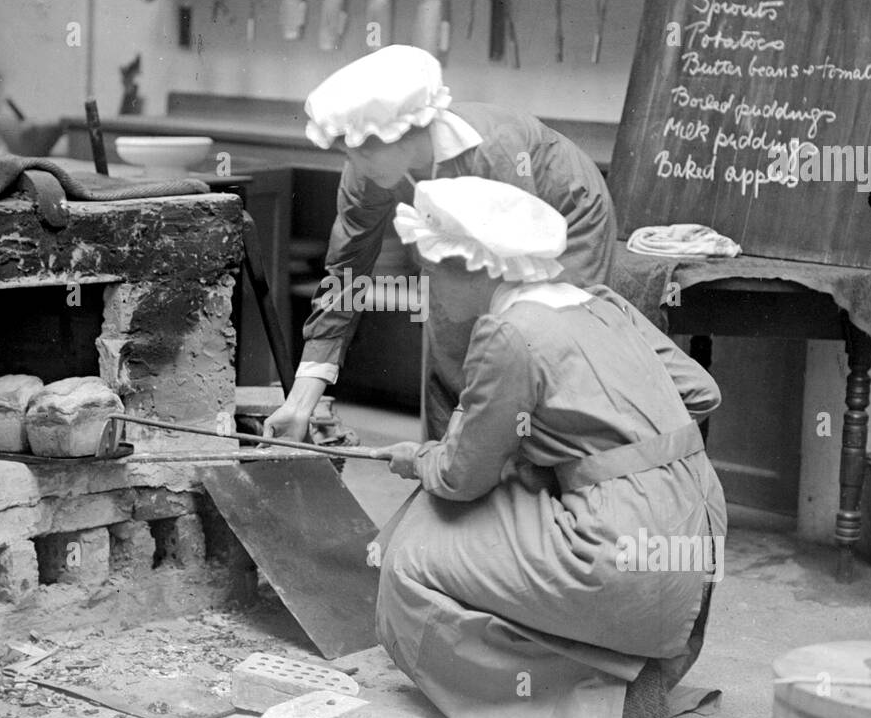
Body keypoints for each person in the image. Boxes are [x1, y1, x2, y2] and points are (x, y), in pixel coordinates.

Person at [374, 177, 727, 718]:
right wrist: (599, 449)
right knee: (521, 490)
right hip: (698, 536)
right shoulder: (603, 303)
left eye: (432, 272)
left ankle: (588, 695)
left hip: (617, 554)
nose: (426, 289)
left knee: (411, 551)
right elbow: (702, 393)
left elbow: (462, 476)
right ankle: (615, 663)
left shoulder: (507, 333)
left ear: (478, 269)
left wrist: (419, 458)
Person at [264, 45, 617, 443]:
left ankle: (531, 480)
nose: (356, 165)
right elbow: (344, 276)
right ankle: (449, 469)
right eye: (348, 152)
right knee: (448, 335)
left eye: (364, 150)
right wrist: (301, 400)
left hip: (564, 218)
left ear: (409, 130)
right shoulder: (365, 171)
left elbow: (511, 277)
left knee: (537, 337)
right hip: (472, 235)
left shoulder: (493, 150)